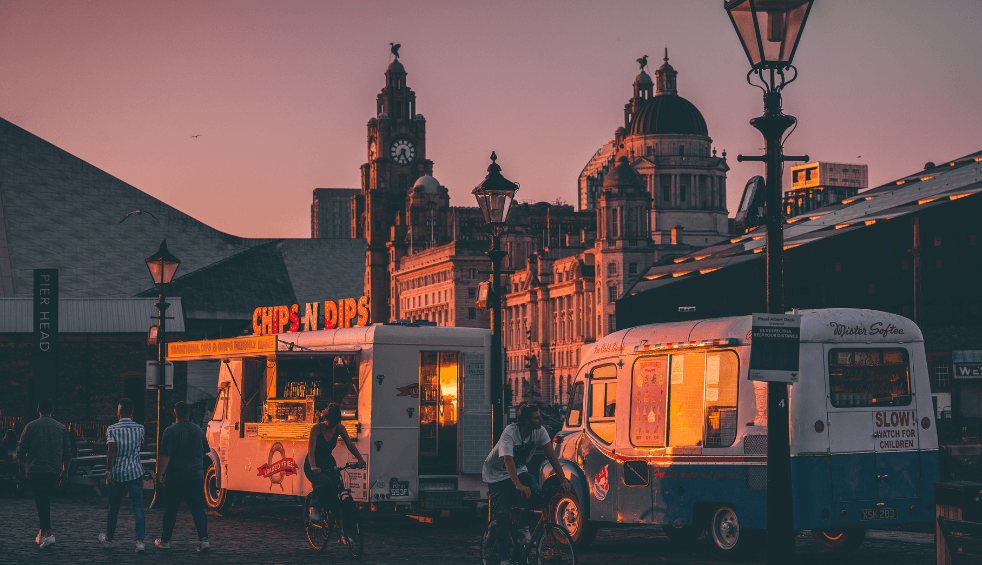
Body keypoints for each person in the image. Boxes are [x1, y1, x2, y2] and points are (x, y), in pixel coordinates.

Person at [482, 403, 571, 565]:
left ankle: (523, 526)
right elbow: (508, 460)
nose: (541, 419)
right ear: (526, 421)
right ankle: (504, 559)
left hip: (520, 471)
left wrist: (563, 480)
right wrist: (518, 485)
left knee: (536, 493)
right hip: (497, 475)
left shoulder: (540, 432)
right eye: (537, 417)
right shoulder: (510, 433)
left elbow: (552, 457)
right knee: (503, 515)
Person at [154, 401, 211, 553]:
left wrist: (160, 474)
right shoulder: (198, 430)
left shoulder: (170, 431)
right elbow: (205, 450)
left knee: (171, 510)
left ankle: (165, 540)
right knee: (198, 509)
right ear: (189, 413)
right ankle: (204, 540)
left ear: (175, 413)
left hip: (175, 477)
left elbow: (165, 455)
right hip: (195, 476)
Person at [15, 397, 71, 549]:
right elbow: (67, 453)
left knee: (41, 500)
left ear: (38, 410)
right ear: (52, 410)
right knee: (44, 499)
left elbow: (20, 450)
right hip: (54, 469)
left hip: (35, 468)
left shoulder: (30, 426)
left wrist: (21, 466)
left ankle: (49, 534)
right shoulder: (61, 428)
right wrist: (65, 472)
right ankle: (41, 533)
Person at [97, 398, 146, 552]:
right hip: (136, 471)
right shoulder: (140, 428)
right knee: (138, 508)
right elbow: (140, 445)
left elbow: (111, 451)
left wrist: (108, 471)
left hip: (118, 472)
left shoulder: (112, 429)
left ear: (119, 411)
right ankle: (140, 542)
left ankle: (109, 539)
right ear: (131, 411)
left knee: (114, 508)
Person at [304, 403, 365, 523]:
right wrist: (313, 466)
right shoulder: (316, 429)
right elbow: (311, 449)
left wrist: (360, 459)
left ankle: (339, 525)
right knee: (324, 481)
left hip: (328, 461)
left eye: (335, 423)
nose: (332, 426)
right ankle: (314, 507)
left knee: (337, 484)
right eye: (330, 423)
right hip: (314, 461)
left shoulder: (339, 428)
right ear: (325, 419)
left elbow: (350, 445)